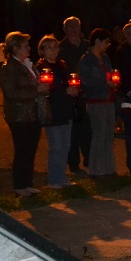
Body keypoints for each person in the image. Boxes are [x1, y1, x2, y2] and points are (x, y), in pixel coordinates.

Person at [0, 32, 49, 197]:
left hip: (33, 113)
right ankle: (19, 186)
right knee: (22, 150)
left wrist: (43, 87)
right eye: (25, 45)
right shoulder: (8, 68)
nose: (29, 48)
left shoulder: (28, 65)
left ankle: (27, 184)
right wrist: (36, 90)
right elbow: (11, 93)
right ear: (15, 48)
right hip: (19, 115)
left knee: (30, 150)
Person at [35, 35, 79, 188]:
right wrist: (64, 91)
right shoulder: (41, 68)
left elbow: (68, 83)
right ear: (42, 51)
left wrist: (73, 89)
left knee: (66, 145)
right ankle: (54, 179)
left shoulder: (62, 65)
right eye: (48, 47)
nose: (52, 50)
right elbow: (46, 90)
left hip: (65, 109)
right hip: (52, 110)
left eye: (54, 47)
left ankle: (62, 177)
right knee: (56, 146)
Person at [79, 28, 119, 178]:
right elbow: (86, 80)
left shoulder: (105, 58)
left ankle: (109, 168)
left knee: (109, 135)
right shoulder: (86, 60)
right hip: (96, 100)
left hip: (108, 99)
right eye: (106, 42)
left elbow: (110, 74)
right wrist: (105, 82)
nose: (108, 45)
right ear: (97, 41)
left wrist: (114, 81)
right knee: (99, 134)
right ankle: (96, 169)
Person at [60, 16, 91, 175]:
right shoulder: (60, 47)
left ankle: (89, 159)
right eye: (70, 26)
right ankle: (73, 164)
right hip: (70, 94)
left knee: (88, 129)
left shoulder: (87, 45)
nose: (73, 29)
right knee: (72, 131)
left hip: (87, 92)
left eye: (76, 26)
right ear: (65, 29)